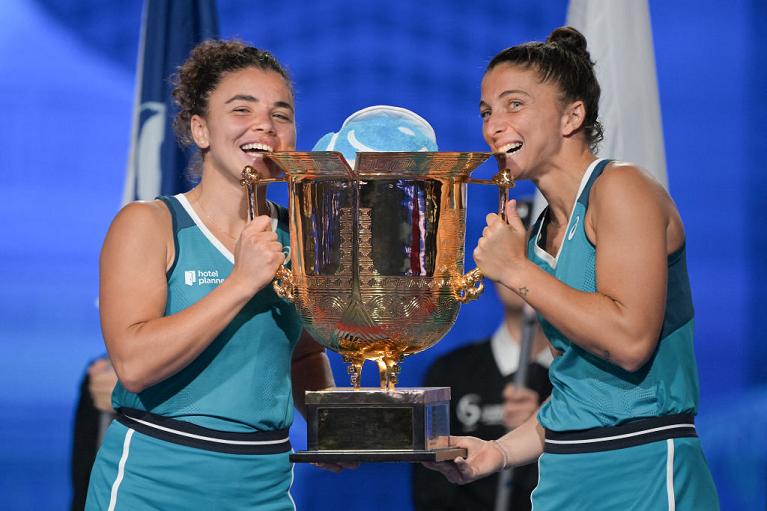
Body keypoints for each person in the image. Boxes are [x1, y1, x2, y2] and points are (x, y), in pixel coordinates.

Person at [426, 26, 719, 510]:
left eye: (514, 105)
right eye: (486, 111)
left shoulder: (622, 190)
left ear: (572, 116)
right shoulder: (540, 233)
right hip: (565, 475)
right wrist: (497, 452)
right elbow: (580, 394)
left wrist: (518, 272)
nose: (493, 126)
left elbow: (629, 342)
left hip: (643, 467)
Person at [85, 40, 334, 510]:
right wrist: (241, 283)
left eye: (281, 115)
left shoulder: (302, 235)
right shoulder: (149, 223)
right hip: (155, 482)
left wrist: (331, 430)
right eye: (242, 109)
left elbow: (303, 355)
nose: (265, 124)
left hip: (264, 485)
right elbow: (135, 365)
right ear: (200, 129)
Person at [411, 269, 553, 510]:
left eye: (534, 255)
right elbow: (429, 487)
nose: (520, 267)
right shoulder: (449, 373)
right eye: (512, 254)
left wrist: (539, 433)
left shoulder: (579, 379)